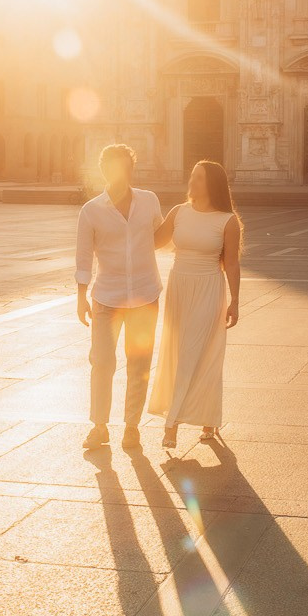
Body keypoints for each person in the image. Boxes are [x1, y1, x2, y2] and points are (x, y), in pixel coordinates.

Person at [75, 143, 164, 452]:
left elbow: (159, 237)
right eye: (113, 166)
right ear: (104, 171)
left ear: (131, 168)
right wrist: (80, 296)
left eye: (125, 165)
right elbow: (84, 258)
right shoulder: (91, 210)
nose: (120, 172)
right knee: (102, 362)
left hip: (145, 294)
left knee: (139, 364)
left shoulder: (150, 201)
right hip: (106, 298)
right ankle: (99, 426)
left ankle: (131, 426)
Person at [149, 160, 242, 450]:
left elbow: (232, 263)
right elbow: (154, 242)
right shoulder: (179, 212)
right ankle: (208, 418)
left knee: (195, 351)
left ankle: (172, 423)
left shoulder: (227, 220)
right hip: (179, 286)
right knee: (181, 351)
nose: (192, 182)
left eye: (199, 178)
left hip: (208, 288)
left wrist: (235, 300)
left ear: (212, 184)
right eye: (192, 176)